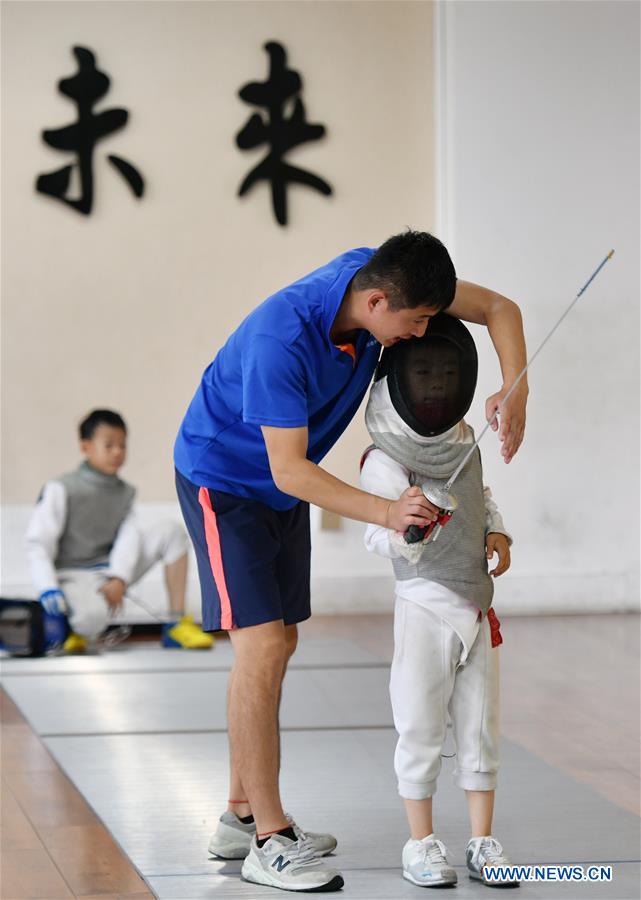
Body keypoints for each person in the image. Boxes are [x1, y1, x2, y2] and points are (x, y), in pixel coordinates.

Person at [174, 231, 528, 893]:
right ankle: (269, 840)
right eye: (415, 322)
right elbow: (288, 470)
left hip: (282, 484)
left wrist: (516, 387)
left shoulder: (383, 276)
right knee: (260, 645)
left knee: (279, 643)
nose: (420, 335)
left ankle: (240, 814)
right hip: (225, 483)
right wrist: (387, 511)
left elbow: (499, 309)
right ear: (375, 303)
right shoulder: (280, 339)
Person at [360, 312, 519, 889]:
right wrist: (405, 531)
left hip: (476, 606)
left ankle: (482, 842)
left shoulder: (465, 441)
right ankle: (421, 843)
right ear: (400, 378)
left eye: (448, 373)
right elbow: (375, 532)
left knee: (480, 729)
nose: (435, 384)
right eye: (423, 371)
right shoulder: (385, 457)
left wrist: (496, 531)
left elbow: (480, 495)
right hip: (423, 605)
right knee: (421, 725)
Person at [25, 409, 213, 652]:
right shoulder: (61, 488)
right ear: (85, 447)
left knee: (171, 532)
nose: (117, 452)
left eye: (122, 445)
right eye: (109, 445)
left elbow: (128, 537)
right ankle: (71, 626)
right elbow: (38, 543)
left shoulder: (125, 492)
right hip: (72, 575)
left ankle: (176, 624)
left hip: (107, 571)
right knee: (90, 621)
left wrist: (119, 578)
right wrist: (46, 586)